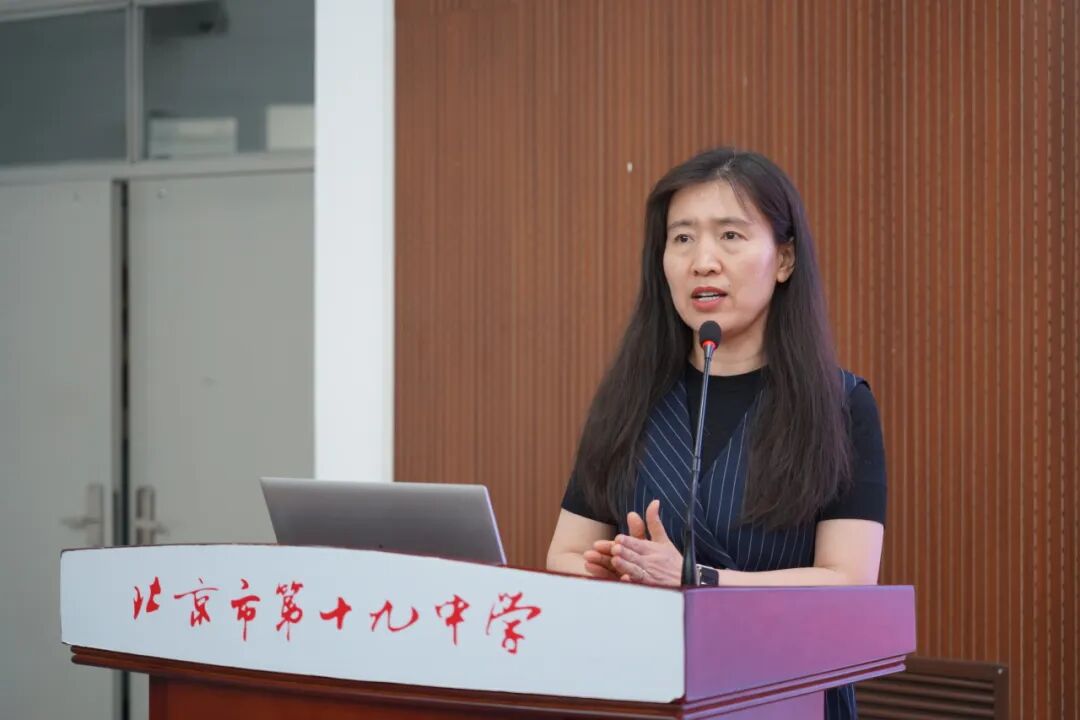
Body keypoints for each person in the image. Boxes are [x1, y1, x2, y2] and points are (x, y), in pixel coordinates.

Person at [546, 147, 886, 719]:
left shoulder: (841, 405)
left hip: (783, 693)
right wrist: (613, 571)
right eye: (682, 238)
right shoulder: (628, 400)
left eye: (730, 236)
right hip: (644, 691)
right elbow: (564, 552)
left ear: (784, 260)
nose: (703, 261)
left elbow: (848, 581)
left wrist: (697, 579)